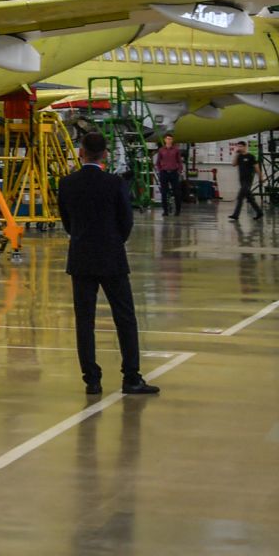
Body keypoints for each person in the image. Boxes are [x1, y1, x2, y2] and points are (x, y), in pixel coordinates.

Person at [57, 131, 157, 397]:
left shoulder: (67, 184)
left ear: (81, 153)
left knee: (85, 320)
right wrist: (114, 240)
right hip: (112, 257)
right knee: (125, 317)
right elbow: (126, 220)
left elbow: (67, 221)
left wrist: (81, 237)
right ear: (105, 154)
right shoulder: (115, 184)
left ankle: (92, 379)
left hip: (81, 257)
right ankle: (131, 376)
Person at [229, 143, 262, 222]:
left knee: (240, 197)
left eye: (241, 146)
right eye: (238, 146)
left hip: (248, 180)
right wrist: (236, 154)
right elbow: (233, 164)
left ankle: (236, 215)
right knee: (250, 198)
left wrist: (261, 177)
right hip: (242, 180)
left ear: (245, 147)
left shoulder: (251, 156)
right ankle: (259, 212)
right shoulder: (239, 156)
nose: (239, 148)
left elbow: (257, 168)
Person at [153, 134, 183, 216]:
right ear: (165, 140)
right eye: (168, 139)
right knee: (164, 192)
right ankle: (165, 211)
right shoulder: (161, 150)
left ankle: (178, 211)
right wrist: (160, 170)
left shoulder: (176, 150)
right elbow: (158, 162)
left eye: (170, 139)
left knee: (176, 192)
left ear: (172, 140)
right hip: (164, 173)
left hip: (174, 172)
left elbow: (179, 161)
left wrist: (179, 170)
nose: (169, 140)